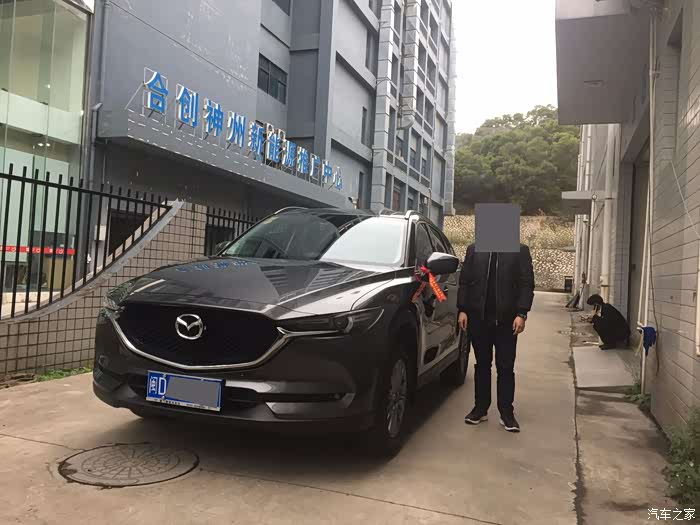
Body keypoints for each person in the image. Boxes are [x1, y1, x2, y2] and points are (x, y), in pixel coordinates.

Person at [457, 244, 535, 433]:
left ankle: (506, 413)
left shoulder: (519, 250)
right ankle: (480, 409)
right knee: (482, 365)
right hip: (479, 319)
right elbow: (465, 281)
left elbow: (526, 283)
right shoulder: (474, 249)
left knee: (505, 367)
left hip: (507, 321)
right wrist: (463, 309)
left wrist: (522, 313)